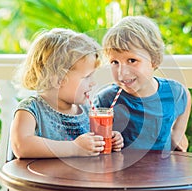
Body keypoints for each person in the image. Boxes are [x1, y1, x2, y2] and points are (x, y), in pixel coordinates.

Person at [10, 28, 124, 158]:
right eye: (87, 77)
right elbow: (21, 146)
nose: (93, 83)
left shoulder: (86, 110)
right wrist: (74, 148)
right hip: (41, 178)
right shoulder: (31, 109)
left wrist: (108, 141)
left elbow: (90, 146)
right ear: (58, 79)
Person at [94, 16, 191, 152]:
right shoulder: (105, 100)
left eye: (132, 60)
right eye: (115, 62)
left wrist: (178, 133)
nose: (122, 72)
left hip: (164, 171)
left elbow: (184, 95)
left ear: (154, 60)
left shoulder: (174, 92)